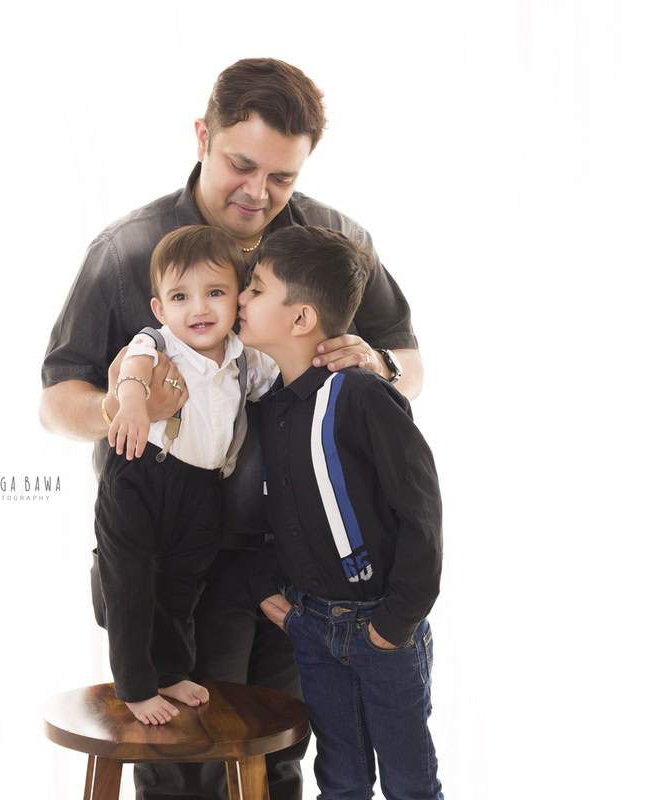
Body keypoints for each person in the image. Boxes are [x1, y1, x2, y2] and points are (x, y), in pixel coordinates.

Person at [40, 57, 424, 800]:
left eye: (281, 178)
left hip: (295, 566)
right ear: (201, 137)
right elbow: (57, 396)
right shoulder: (127, 253)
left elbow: (407, 360)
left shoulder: (334, 242)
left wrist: (375, 364)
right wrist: (126, 412)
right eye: (241, 166)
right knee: (179, 769)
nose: (259, 194)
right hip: (164, 555)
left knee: (277, 760)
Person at [240, 226, 444, 800]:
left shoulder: (361, 396)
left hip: (384, 629)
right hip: (311, 628)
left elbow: (422, 512)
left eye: (254, 289)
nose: (240, 299)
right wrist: (266, 589)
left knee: (410, 784)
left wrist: (395, 623)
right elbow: (266, 512)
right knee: (340, 779)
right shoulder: (270, 408)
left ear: (302, 319)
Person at [95, 225, 277, 725]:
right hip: (139, 474)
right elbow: (134, 367)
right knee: (131, 582)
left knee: (182, 585)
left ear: (238, 299)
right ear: (160, 309)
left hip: (203, 486)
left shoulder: (245, 358)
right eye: (180, 296)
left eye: (214, 293)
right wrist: (132, 404)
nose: (198, 309)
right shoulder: (159, 343)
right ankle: (134, 684)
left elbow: (283, 375)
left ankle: (171, 670)